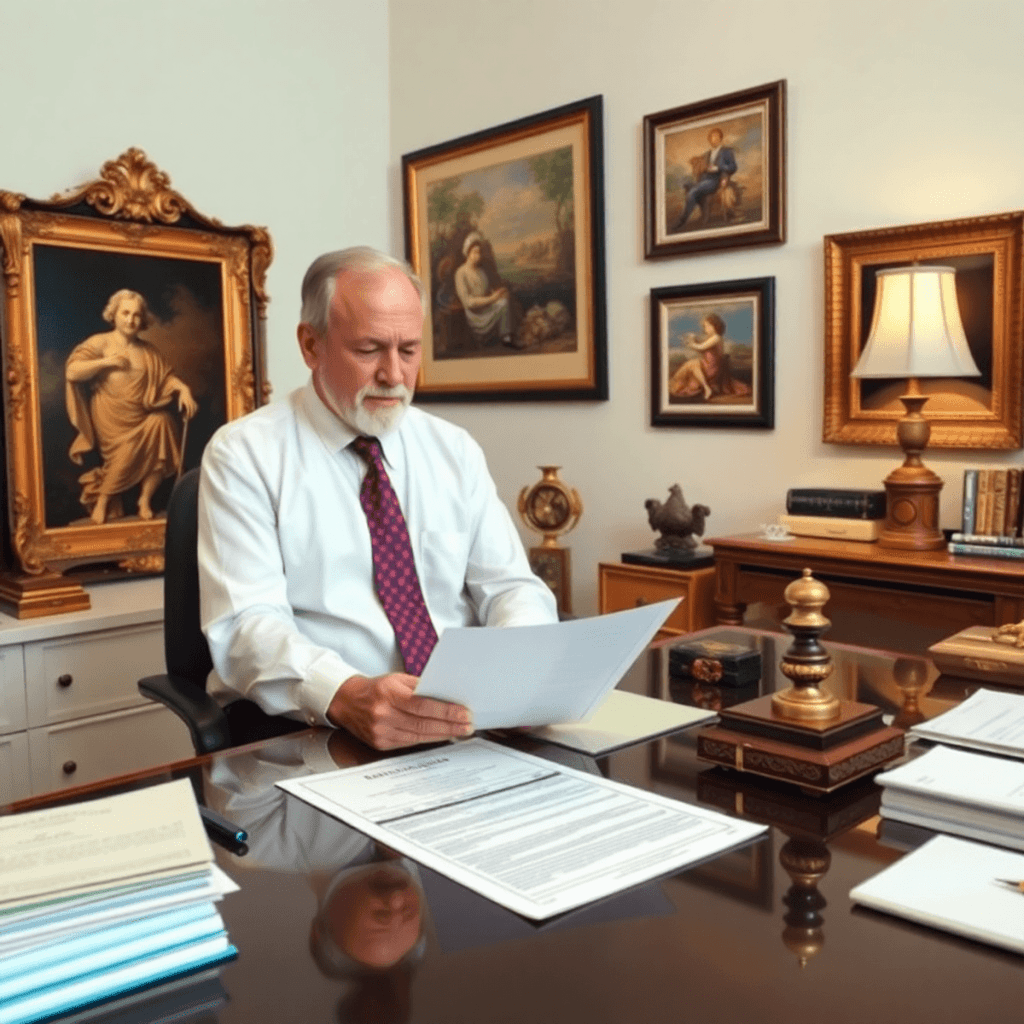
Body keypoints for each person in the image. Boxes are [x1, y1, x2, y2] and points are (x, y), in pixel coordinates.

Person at [198, 246, 558, 751]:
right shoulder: (244, 455)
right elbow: (246, 625)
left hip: (462, 724)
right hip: (314, 728)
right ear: (310, 345)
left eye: (408, 350)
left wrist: (515, 668)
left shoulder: (453, 450)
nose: (393, 374)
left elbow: (510, 588)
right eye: (369, 350)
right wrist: (346, 694)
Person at [65, 289, 198, 524]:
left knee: (163, 424)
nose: (130, 320)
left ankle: (144, 500)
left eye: (136, 315)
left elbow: (166, 378)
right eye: (125, 313)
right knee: (123, 456)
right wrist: (106, 362)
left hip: (140, 415)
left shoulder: (149, 352)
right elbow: (73, 371)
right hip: (111, 419)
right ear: (114, 314)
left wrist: (183, 389)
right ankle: (104, 501)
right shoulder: (101, 342)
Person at [668, 314, 751, 401]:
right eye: (705, 326)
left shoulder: (716, 338)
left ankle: (706, 388)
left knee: (692, 363)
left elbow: (701, 347)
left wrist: (691, 342)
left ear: (716, 325)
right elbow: (702, 349)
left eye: (708, 326)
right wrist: (693, 342)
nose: (705, 328)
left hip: (712, 368)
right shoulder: (713, 338)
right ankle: (706, 388)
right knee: (693, 363)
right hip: (708, 365)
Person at [452, 231, 515, 347]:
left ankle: (506, 338)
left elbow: (486, 291)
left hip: (486, 309)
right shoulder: (460, 273)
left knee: (504, 302)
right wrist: (492, 298)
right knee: (500, 304)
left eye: (479, 252)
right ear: (467, 253)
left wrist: (498, 294)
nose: (478, 256)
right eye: (475, 252)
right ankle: (483, 338)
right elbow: (468, 302)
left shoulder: (481, 271)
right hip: (474, 316)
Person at [673, 127, 738, 232]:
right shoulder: (706, 154)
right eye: (712, 137)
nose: (714, 139)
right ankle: (704, 215)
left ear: (720, 138)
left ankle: (682, 220)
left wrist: (717, 168)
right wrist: (697, 164)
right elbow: (701, 166)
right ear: (710, 140)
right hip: (703, 180)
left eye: (716, 137)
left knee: (694, 190)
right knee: (687, 185)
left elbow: (733, 167)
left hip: (716, 180)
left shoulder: (726, 151)